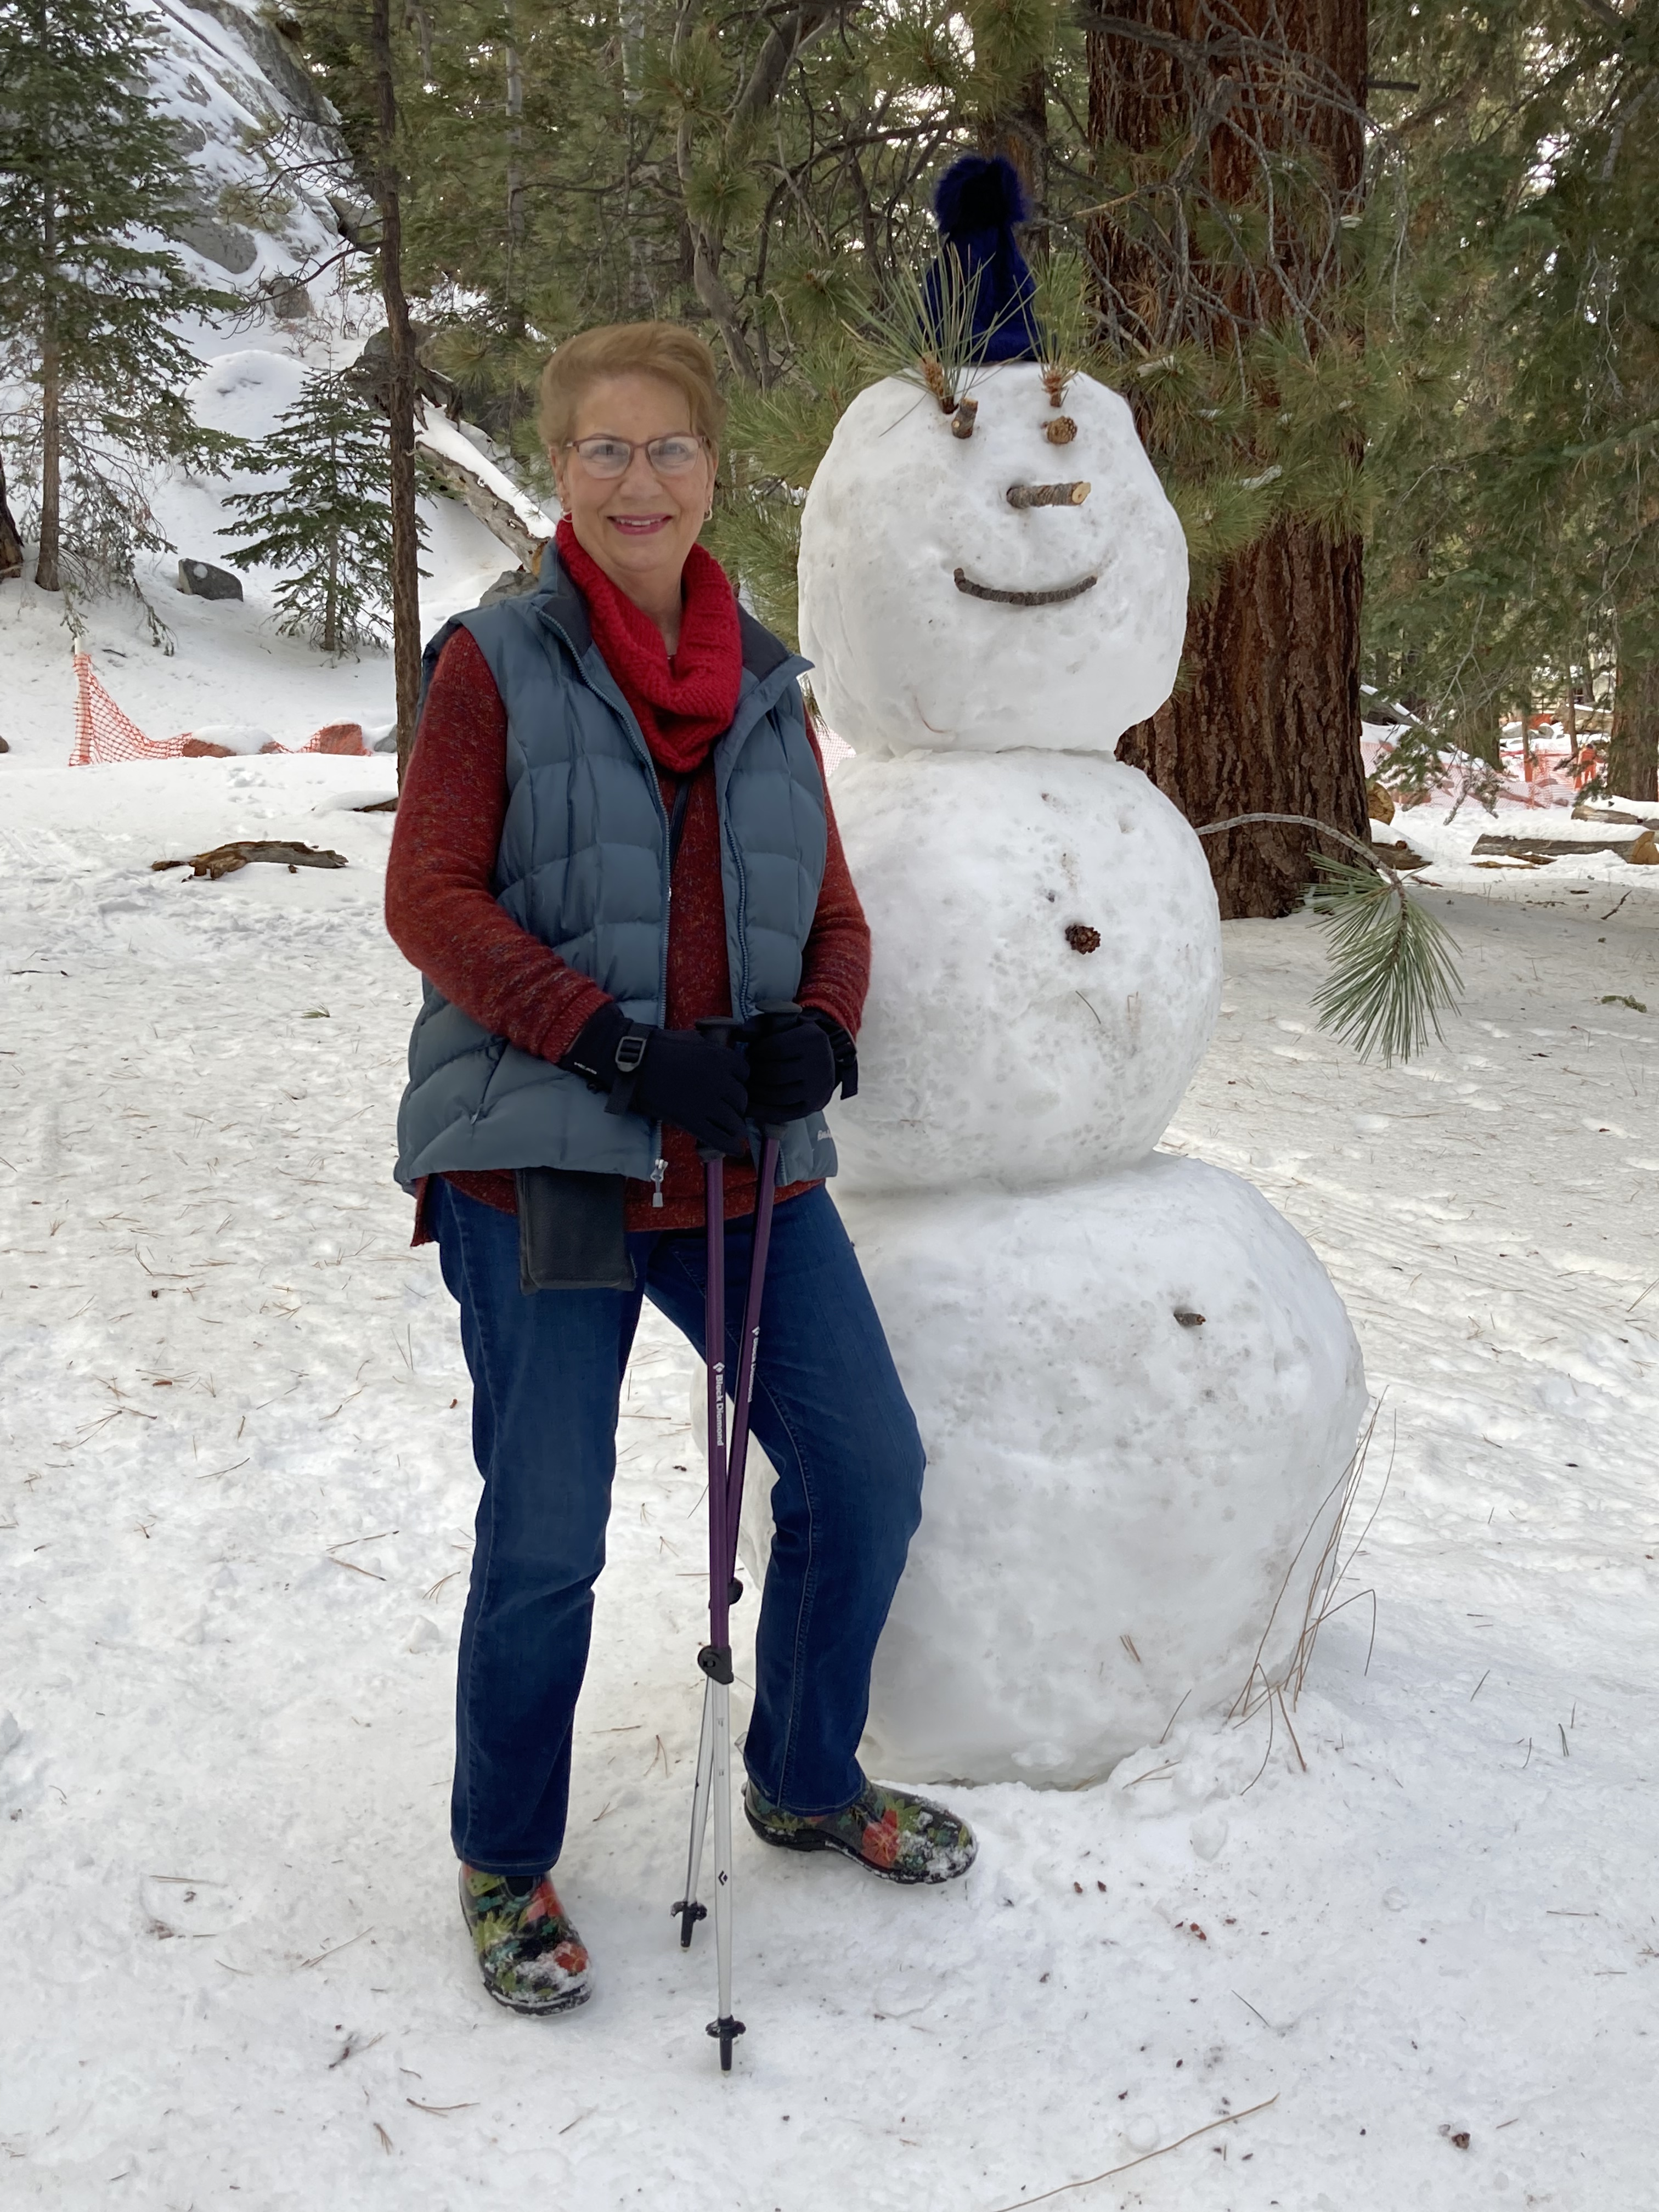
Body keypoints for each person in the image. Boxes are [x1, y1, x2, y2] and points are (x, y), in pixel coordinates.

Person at [384, 321, 975, 2019]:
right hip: (549, 1169)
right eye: (603, 449)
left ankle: (805, 1776)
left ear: (714, 470)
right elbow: (430, 900)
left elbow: (833, 915)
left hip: (742, 1166)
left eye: (668, 449)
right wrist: (620, 1050)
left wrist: (821, 1031)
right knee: (548, 1533)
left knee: (866, 1472)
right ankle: (505, 1857)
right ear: (559, 469)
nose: (637, 481)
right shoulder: (496, 662)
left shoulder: (773, 687)